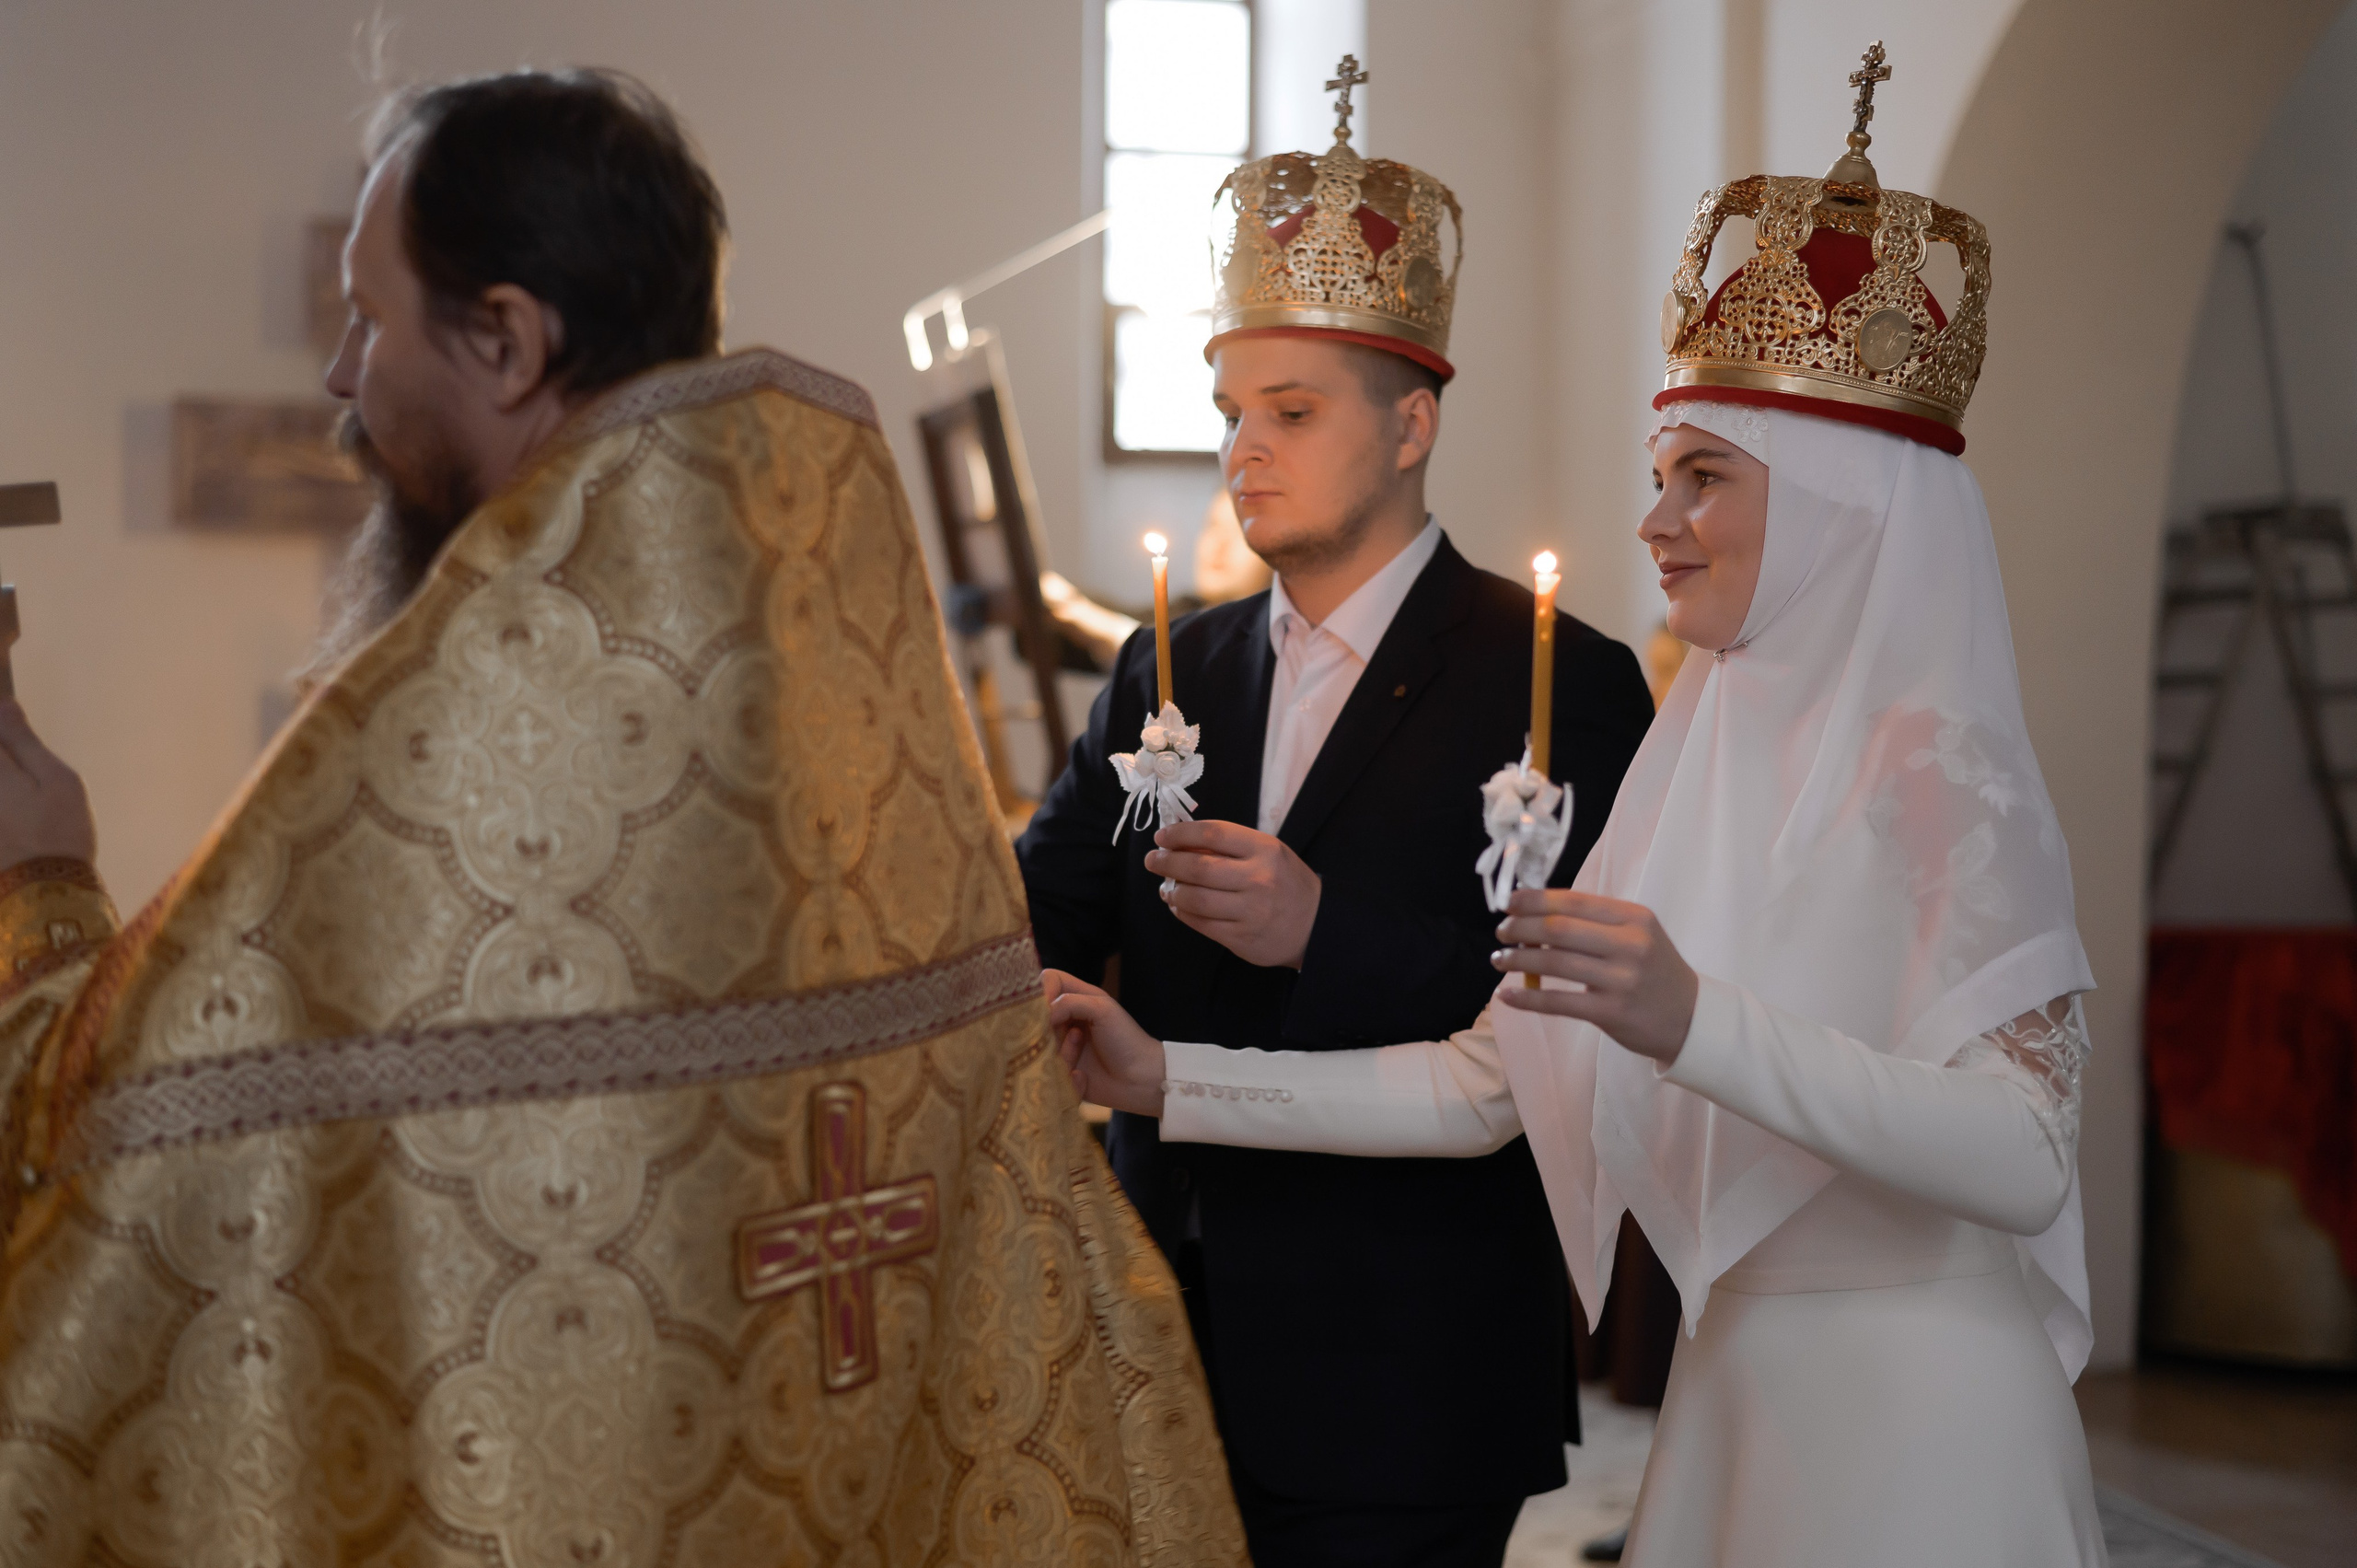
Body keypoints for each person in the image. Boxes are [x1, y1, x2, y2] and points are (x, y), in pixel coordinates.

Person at [0, 68, 1244, 1565]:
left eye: (368, 316)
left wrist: (39, 894)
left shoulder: (426, 752)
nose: (339, 371)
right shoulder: (853, 691)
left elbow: (126, 1159)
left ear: (509, 340)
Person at [1043, 61, 2112, 1567]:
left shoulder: (1942, 766)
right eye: (1656, 474)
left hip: (1921, 1412)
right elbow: (1488, 1085)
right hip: (1736, 1391)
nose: (1653, 520)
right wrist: (1168, 1079)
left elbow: (2028, 1155)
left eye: (1700, 480)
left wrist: (1695, 1020)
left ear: (1841, 505)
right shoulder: (1702, 750)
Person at [1016, 59, 1655, 1568]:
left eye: (1291, 411)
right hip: (1160, 1332)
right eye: (1232, 409)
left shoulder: (1558, 681)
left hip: (1404, 1366)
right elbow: (1045, 908)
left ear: (1413, 422)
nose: (1245, 449)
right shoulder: (1169, 667)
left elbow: (1567, 1028)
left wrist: (1325, 931)